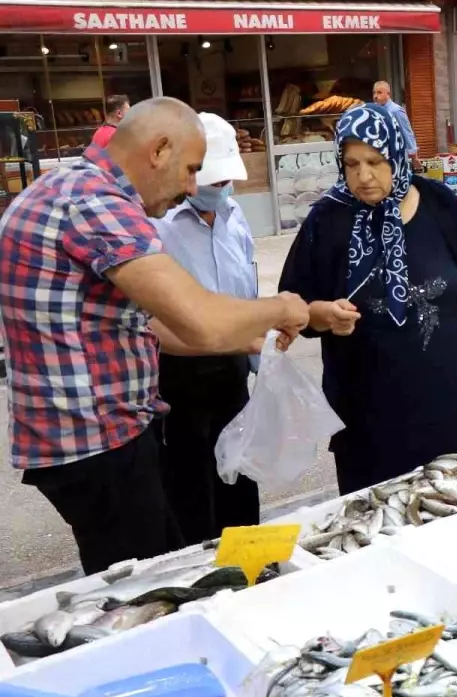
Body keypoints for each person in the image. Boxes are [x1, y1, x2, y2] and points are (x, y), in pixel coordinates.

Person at [0, 97, 309, 574]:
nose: (190, 188)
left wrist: (249, 335)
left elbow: (154, 325)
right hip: (96, 442)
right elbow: (198, 317)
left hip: (85, 438)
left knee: (166, 561)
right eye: (189, 170)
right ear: (159, 149)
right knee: (141, 588)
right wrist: (283, 307)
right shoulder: (96, 203)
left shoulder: (65, 187)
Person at [279, 104, 457, 495]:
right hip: (367, 414)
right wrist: (323, 315)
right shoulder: (328, 221)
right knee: (375, 516)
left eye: (376, 162)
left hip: (447, 401)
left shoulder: (440, 205)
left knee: (446, 508)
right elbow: (294, 306)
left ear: (396, 155)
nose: (363, 176)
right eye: (352, 163)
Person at [150, 113, 262, 545]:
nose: (219, 190)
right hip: (179, 377)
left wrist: (258, 356)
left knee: (238, 482)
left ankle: (245, 567)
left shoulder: (235, 216)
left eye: (224, 181)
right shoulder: (159, 224)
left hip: (233, 370)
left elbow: (247, 287)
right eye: (211, 181)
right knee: (191, 491)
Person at [373, 80, 420, 163]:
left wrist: (414, 157)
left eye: (379, 93)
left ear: (388, 94)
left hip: (396, 156)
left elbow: (406, 132)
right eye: (374, 93)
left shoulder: (395, 111)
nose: (376, 96)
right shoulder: (374, 111)